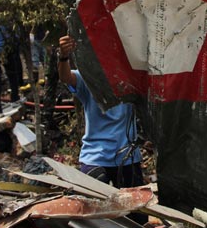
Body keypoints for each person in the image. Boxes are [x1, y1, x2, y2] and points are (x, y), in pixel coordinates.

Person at [58, 36, 146, 196]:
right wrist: (63, 56)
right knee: (93, 211)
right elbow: (66, 77)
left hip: (127, 157)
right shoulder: (88, 79)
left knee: (137, 215)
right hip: (95, 157)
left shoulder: (132, 79)